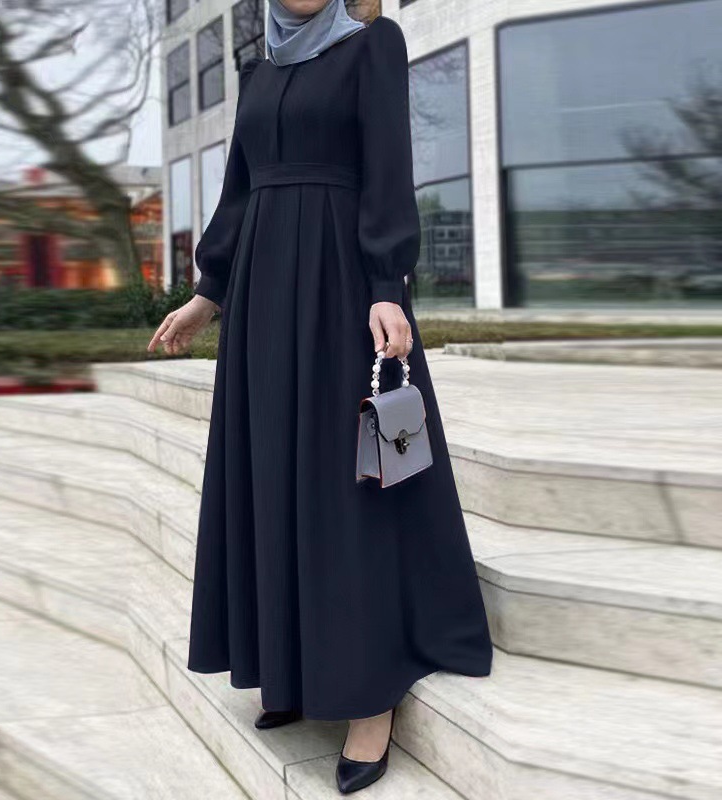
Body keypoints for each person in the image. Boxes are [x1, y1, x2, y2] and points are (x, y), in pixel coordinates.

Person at [148, 1, 492, 793]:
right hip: (263, 295)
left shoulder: (373, 45)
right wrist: (209, 292)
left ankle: (368, 695)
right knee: (273, 474)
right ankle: (290, 665)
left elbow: (387, 168)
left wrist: (386, 284)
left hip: (341, 285)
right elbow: (239, 188)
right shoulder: (259, 69)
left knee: (349, 483)